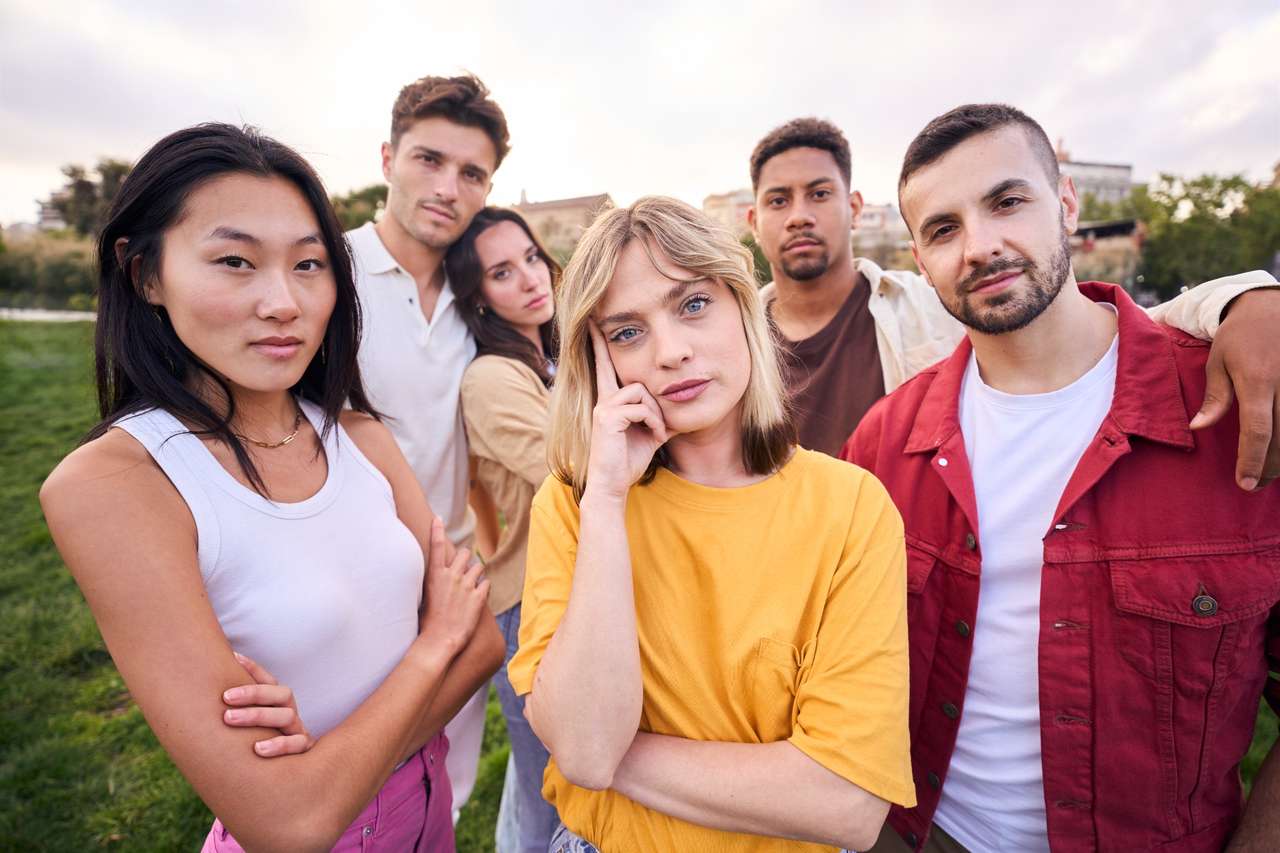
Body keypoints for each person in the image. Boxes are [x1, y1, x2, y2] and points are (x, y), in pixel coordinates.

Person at [38, 123, 504, 851]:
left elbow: (480, 644)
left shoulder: (362, 438)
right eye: (235, 261)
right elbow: (287, 822)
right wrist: (429, 646)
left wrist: (324, 762)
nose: (283, 302)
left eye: (310, 265)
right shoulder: (120, 484)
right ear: (145, 274)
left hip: (429, 808)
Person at [844, 103, 1279, 853]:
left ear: (1066, 203)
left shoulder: (1235, 412)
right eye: (944, 229)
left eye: (1007, 202)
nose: (980, 246)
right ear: (919, 258)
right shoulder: (885, 443)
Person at [507, 196, 916, 852]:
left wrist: (615, 755)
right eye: (627, 331)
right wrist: (608, 498)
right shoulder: (575, 503)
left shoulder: (850, 507)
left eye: (693, 304)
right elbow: (583, 749)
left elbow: (846, 801)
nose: (670, 351)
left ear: (743, 308)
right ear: (598, 359)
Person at [747, 117, 1280, 488]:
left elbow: (1083, 327)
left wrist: (1244, 301)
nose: (979, 248)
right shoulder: (731, 339)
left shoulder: (925, 303)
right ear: (752, 220)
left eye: (819, 193)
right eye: (778, 200)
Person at [345, 72, 511, 820]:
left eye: (471, 173)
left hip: (453, 574)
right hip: (346, 585)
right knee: (346, 790)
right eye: (428, 160)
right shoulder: (326, 272)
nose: (448, 187)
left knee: (441, 789)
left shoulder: (481, 296)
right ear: (387, 158)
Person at [445, 206, 562, 853]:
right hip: (527, 608)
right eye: (501, 271)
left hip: (574, 590)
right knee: (552, 785)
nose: (528, 278)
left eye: (531, 257)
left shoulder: (557, 351)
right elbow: (569, 467)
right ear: (478, 296)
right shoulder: (491, 378)